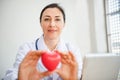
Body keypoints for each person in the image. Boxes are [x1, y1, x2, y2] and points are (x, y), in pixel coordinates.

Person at [3, 3, 82, 80]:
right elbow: (11, 75)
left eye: (57, 19)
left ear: (64, 24)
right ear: (41, 23)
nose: (52, 24)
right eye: (47, 19)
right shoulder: (26, 49)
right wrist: (22, 78)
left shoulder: (73, 51)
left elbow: (79, 76)